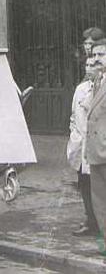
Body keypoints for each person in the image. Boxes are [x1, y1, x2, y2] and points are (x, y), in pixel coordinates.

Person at [68, 57, 99, 236]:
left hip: (98, 147)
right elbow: (73, 115)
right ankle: (90, 221)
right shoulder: (80, 89)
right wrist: (74, 136)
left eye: (93, 65)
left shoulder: (101, 89)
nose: (88, 69)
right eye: (86, 65)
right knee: (85, 186)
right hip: (81, 147)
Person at [86, 39, 106, 255]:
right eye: (95, 54)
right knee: (100, 205)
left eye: (102, 54)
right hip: (96, 154)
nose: (97, 58)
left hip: (105, 152)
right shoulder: (97, 81)